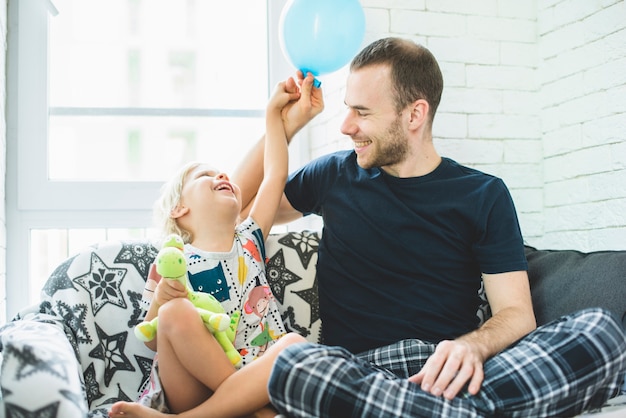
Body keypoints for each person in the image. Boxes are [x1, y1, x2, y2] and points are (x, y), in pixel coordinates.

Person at [112, 37, 626, 418]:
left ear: (414, 115)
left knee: (602, 333)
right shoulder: (336, 174)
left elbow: (516, 315)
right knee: (296, 361)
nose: (345, 126)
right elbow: (239, 202)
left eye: (361, 112)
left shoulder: (483, 195)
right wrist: (286, 125)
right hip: (348, 372)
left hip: (439, 371)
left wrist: (472, 346)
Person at [108, 75, 314, 418]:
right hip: (195, 390)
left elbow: (275, 175)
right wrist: (162, 300)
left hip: (259, 383)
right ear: (179, 210)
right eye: (206, 176)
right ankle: (244, 408)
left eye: (224, 175)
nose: (222, 177)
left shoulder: (249, 240)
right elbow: (152, 341)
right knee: (174, 314)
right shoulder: (172, 262)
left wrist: (273, 115)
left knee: (294, 345)